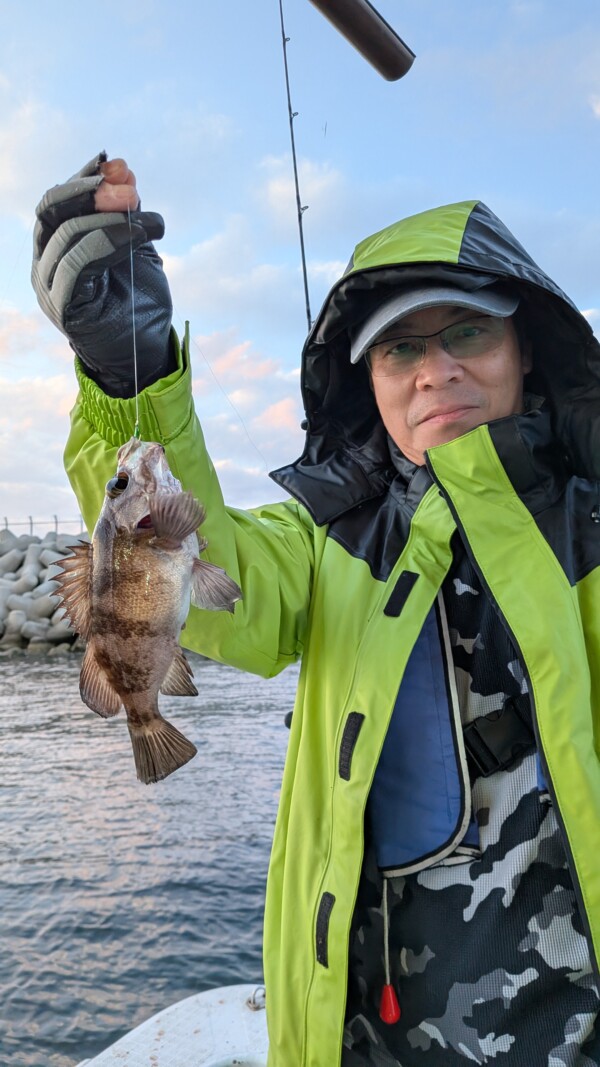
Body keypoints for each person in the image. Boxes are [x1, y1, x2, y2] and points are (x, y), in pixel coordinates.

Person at [32, 154, 600, 1067]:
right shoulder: (331, 542)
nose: (434, 371)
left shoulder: (591, 529)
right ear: (367, 378)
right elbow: (207, 563)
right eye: (401, 349)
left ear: (525, 348)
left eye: (467, 335)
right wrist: (122, 375)